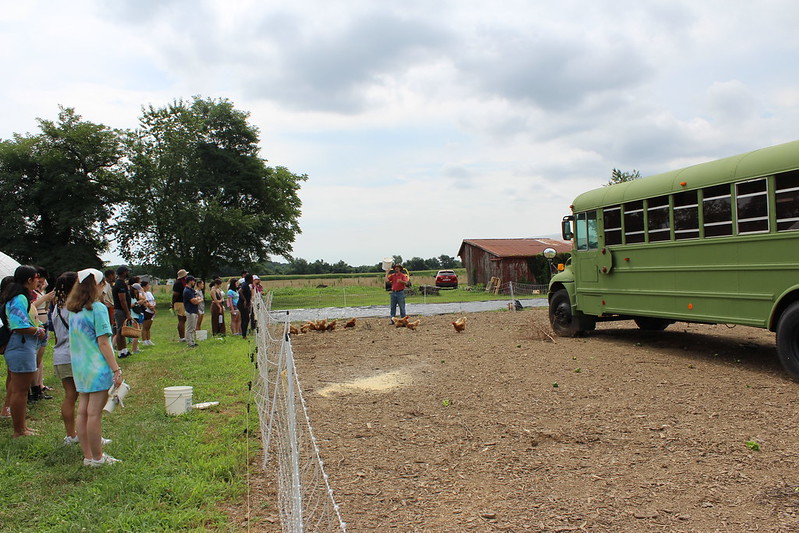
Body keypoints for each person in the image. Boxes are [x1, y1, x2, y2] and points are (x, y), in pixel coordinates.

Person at [67, 268, 123, 466]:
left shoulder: (73, 310)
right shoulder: (97, 309)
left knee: (83, 412)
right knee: (94, 414)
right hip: (97, 368)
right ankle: (98, 457)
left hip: (80, 369)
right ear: (96, 286)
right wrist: (116, 369)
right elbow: (104, 342)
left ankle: (88, 456)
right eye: (102, 284)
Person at [51, 271, 112, 447]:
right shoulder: (89, 308)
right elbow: (100, 340)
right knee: (91, 411)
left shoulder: (65, 308)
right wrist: (115, 368)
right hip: (87, 361)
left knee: (76, 403)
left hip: (67, 358)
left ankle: (75, 439)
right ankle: (95, 447)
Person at [1, 265, 46, 437]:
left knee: (20, 389)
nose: (38, 281)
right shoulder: (20, 298)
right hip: (20, 345)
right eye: (36, 278)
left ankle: (22, 426)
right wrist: (38, 331)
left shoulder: (17, 296)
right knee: (20, 390)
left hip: (21, 345)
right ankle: (19, 430)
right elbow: (18, 325)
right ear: (29, 280)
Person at [31, 266, 55, 402]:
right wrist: (45, 297)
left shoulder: (39, 290)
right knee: (35, 359)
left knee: (39, 360)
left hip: (43, 324)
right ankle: (35, 388)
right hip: (37, 325)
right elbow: (32, 305)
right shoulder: (31, 293)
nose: (41, 284)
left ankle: (39, 385)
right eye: (39, 281)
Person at [112, 266, 132, 358]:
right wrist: (127, 313)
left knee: (123, 331)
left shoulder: (121, 283)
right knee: (120, 331)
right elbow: (122, 300)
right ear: (124, 273)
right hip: (120, 310)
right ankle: (120, 352)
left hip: (121, 310)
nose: (128, 273)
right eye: (127, 271)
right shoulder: (120, 284)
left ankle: (125, 350)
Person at [183, 276, 202, 347]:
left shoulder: (191, 290)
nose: (194, 282)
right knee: (190, 328)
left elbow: (196, 298)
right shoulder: (187, 291)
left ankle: (192, 341)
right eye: (193, 281)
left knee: (193, 327)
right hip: (190, 311)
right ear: (190, 281)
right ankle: (189, 342)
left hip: (194, 311)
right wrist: (200, 300)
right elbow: (194, 301)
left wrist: (198, 299)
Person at [171, 269, 189, 342]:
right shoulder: (178, 283)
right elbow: (175, 294)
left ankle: (183, 336)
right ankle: (182, 337)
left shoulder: (183, 282)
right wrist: (172, 303)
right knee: (181, 319)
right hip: (179, 302)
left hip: (183, 302)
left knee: (184, 319)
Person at [237, 274, 253, 339]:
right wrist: (244, 300)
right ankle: (244, 335)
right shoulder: (245, 285)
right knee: (245, 319)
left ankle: (244, 333)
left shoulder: (246, 285)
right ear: (249, 279)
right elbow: (240, 291)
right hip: (243, 304)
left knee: (245, 319)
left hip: (245, 304)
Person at [141, 280, 156, 345]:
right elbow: (145, 302)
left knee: (149, 327)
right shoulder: (142, 294)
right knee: (145, 327)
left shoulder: (149, 293)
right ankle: (144, 340)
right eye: (147, 285)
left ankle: (148, 339)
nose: (148, 287)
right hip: (147, 311)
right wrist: (150, 307)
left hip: (151, 311)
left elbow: (153, 300)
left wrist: (153, 306)